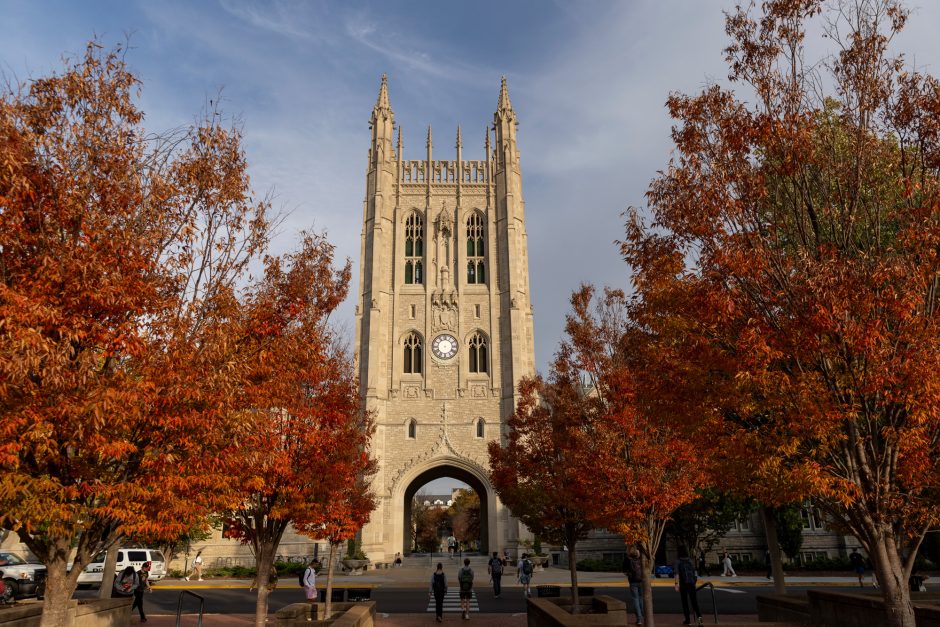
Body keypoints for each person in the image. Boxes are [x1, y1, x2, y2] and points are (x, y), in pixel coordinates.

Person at [675, 548, 703, 626]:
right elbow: (695, 572)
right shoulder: (690, 561)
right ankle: (700, 622)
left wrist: (676, 584)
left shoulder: (678, 561)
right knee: (695, 603)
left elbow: (676, 573)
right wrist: (694, 582)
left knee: (685, 603)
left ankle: (688, 620)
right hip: (691, 584)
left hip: (683, 584)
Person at [622, 548, 645, 626]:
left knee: (635, 599)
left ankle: (639, 619)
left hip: (632, 581)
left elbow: (624, 572)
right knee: (641, 598)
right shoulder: (642, 558)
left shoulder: (627, 560)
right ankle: (643, 615)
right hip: (642, 581)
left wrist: (629, 574)